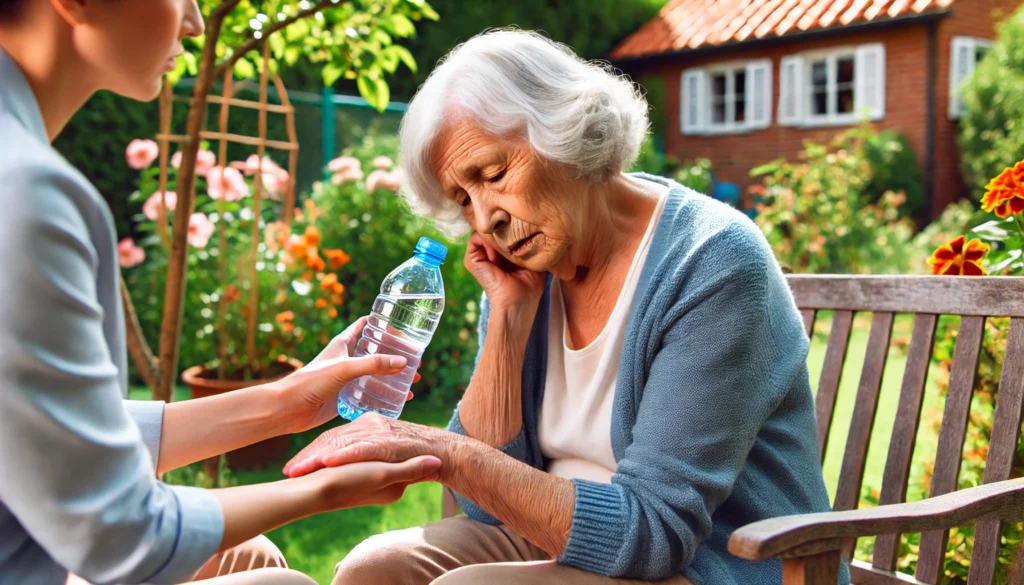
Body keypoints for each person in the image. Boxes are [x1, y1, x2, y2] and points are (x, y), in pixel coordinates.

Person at [283, 30, 850, 585]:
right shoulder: (533, 263)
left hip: (712, 559)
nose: (485, 220)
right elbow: (481, 509)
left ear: (566, 131)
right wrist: (507, 316)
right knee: (372, 570)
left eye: (495, 174)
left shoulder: (711, 259)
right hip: (568, 537)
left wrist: (445, 451)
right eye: (464, 198)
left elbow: (654, 534)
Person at [0, 1, 441, 584]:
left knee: (250, 556)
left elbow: (47, 430)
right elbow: (114, 531)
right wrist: (323, 488)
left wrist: (283, 404)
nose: (196, 22)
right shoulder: (28, 194)